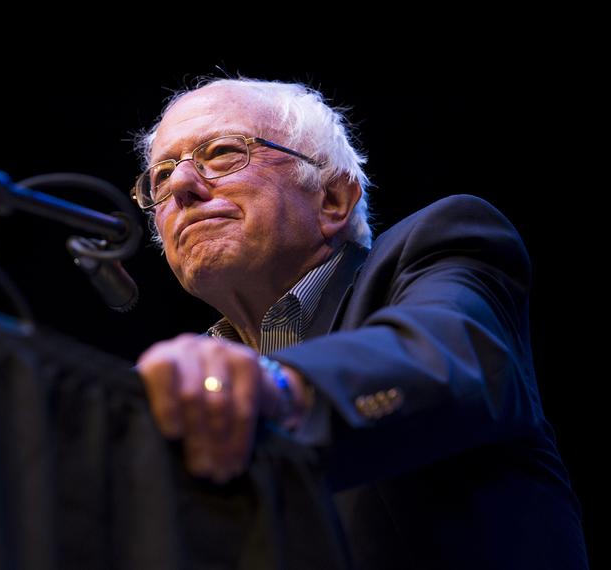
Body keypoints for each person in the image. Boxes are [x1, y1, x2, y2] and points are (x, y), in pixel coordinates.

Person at [131, 77, 588, 568]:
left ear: (332, 199)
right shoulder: (195, 387)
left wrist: (277, 388)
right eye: (160, 176)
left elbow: (448, 358)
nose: (180, 186)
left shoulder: (438, 245)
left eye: (221, 152)